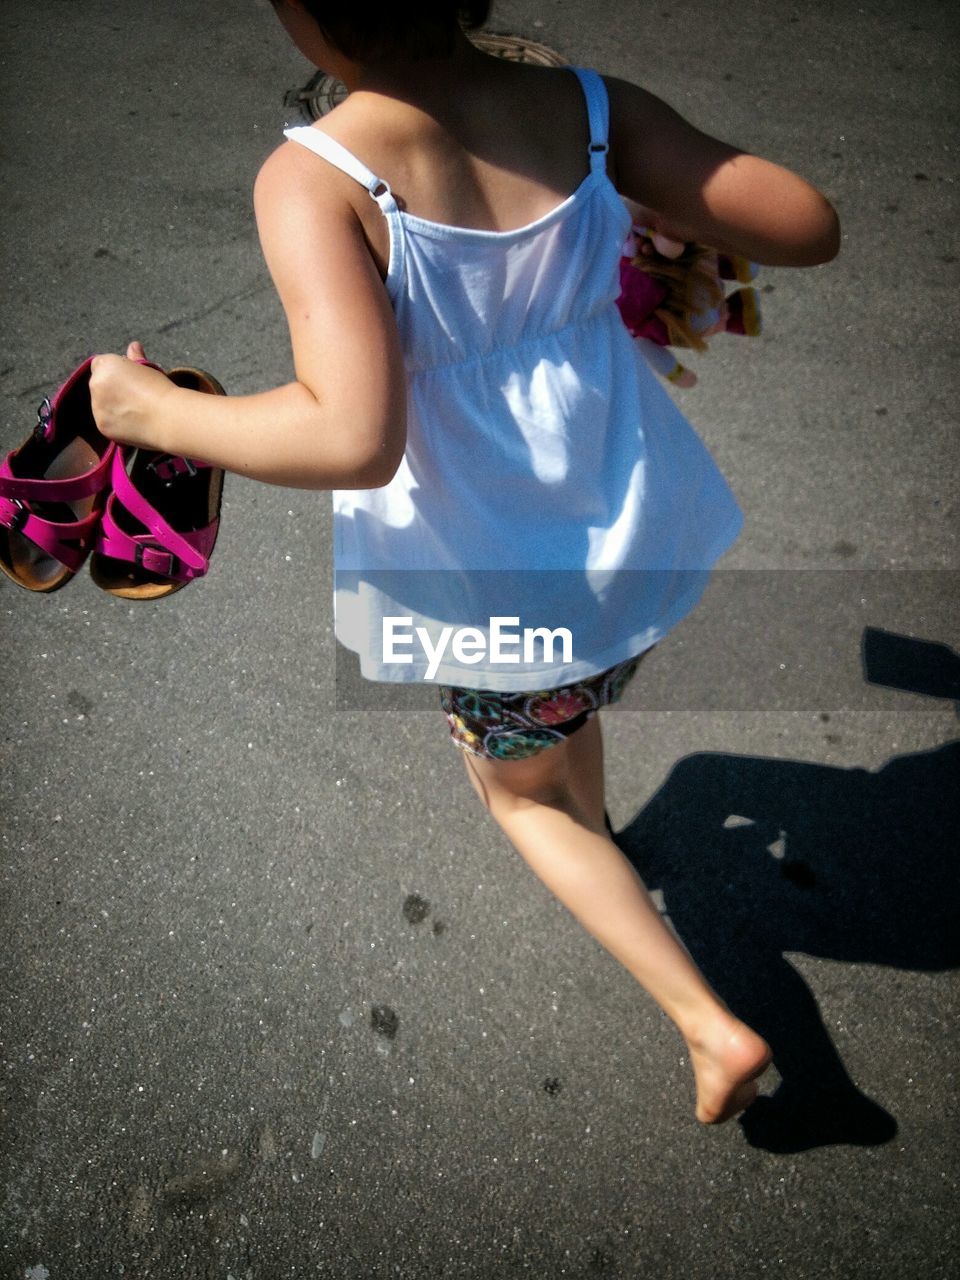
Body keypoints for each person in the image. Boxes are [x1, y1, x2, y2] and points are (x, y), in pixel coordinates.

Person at [89, 0, 840, 1124]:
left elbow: (351, 433)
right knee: (566, 707)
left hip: (495, 576)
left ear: (301, 12)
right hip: (630, 533)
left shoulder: (318, 178)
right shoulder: (590, 110)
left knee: (521, 796)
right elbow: (808, 224)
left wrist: (147, 410)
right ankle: (592, 811)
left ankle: (709, 1022)